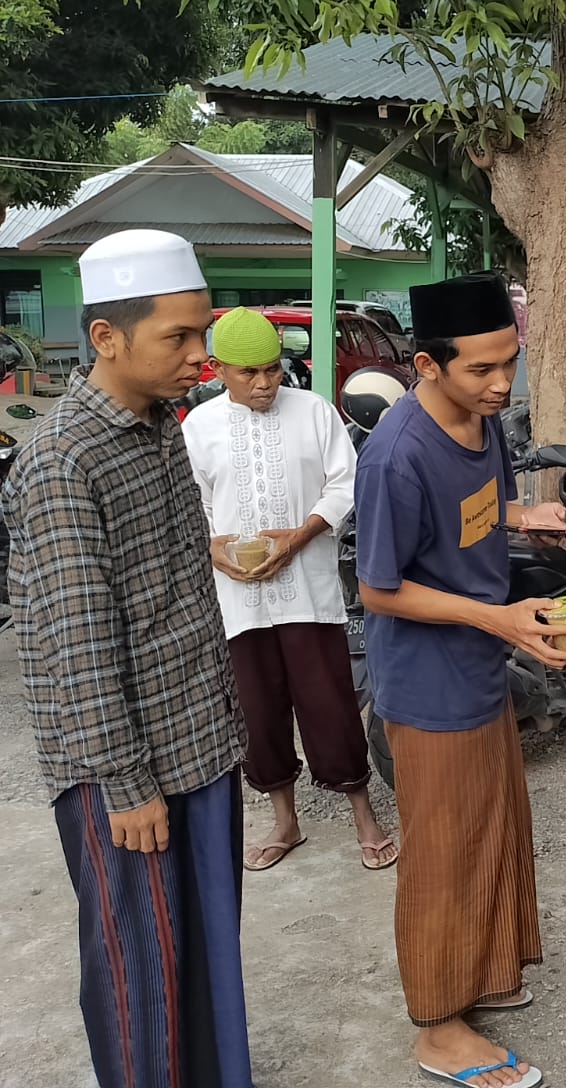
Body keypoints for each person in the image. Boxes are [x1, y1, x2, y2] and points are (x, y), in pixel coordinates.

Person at [2, 229, 251, 1087]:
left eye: (202, 333)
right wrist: (125, 782)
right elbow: (78, 640)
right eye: (178, 338)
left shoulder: (157, 427)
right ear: (106, 337)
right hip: (127, 773)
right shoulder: (62, 459)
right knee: (141, 978)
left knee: (207, 959)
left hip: (197, 742)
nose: (200, 356)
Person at [355, 270, 566, 1088]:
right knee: (443, 853)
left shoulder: (485, 426)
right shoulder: (396, 455)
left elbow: (474, 508)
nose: (500, 383)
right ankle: (438, 1029)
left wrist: (525, 514)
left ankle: (480, 972)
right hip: (427, 682)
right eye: (480, 370)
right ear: (426, 365)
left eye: (508, 362)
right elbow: (377, 585)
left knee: (493, 822)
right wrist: (500, 619)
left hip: (478, 666)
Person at [184, 307, 397, 873]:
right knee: (258, 710)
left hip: (307, 589)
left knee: (329, 702)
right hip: (237, 599)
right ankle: (285, 820)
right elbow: (192, 509)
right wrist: (217, 553)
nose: (264, 384)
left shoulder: (314, 413)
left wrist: (299, 536)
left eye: (273, 371)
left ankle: (363, 814)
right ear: (218, 369)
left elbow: (345, 483)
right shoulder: (197, 427)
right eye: (248, 372)